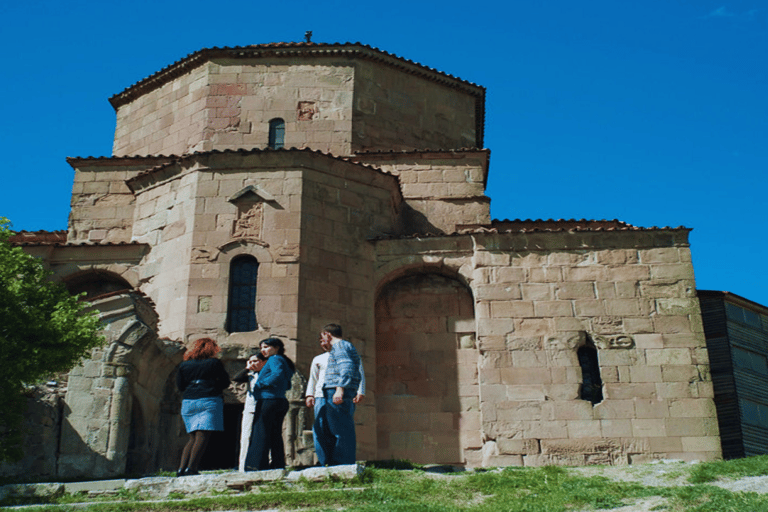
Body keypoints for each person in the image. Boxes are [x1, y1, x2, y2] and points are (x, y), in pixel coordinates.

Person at [305, 333, 365, 465]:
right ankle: (325, 461)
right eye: (320, 342)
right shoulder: (318, 359)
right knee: (320, 428)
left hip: (339, 393)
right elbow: (313, 378)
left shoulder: (345, 352)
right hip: (321, 395)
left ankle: (341, 461)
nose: (323, 344)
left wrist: (360, 390)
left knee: (339, 426)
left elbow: (356, 371)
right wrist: (310, 394)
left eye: (324, 340)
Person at [175, 337, 231, 476]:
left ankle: (181, 468)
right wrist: (213, 386)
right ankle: (192, 468)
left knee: (192, 436)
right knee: (203, 435)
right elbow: (225, 382)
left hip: (189, 401)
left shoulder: (184, 365)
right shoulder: (214, 362)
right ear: (212, 349)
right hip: (209, 399)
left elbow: (180, 386)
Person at [244, 337, 295, 471]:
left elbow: (277, 374)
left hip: (268, 399)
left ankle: (256, 465)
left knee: (260, 431)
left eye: (266, 347)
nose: (263, 350)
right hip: (278, 399)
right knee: (274, 433)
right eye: (261, 348)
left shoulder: (274, 359)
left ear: (276, 347)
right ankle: (277, 463)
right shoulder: (284, 360)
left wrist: (261, 384)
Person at [317, 323, 361, 466]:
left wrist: (340, 389)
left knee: (340, 428)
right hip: (337, 389)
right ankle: (339, 462)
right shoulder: (343, 346)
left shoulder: (340, 346)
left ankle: (343, 464)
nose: (322, 339)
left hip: (336, 390)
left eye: (322, 336)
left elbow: (346, 366)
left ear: (328, 334)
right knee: (338, 427)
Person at [231, 352, 267, 472]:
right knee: (246, 436)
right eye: (250, 361)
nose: (253, 364)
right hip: (250, 408)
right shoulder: (250, 374)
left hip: (263, 407)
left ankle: (264, 463)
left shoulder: (268, 373)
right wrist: (247, 368)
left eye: (255, 361)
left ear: (263, 362)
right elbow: (237, 378)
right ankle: (243, 466)